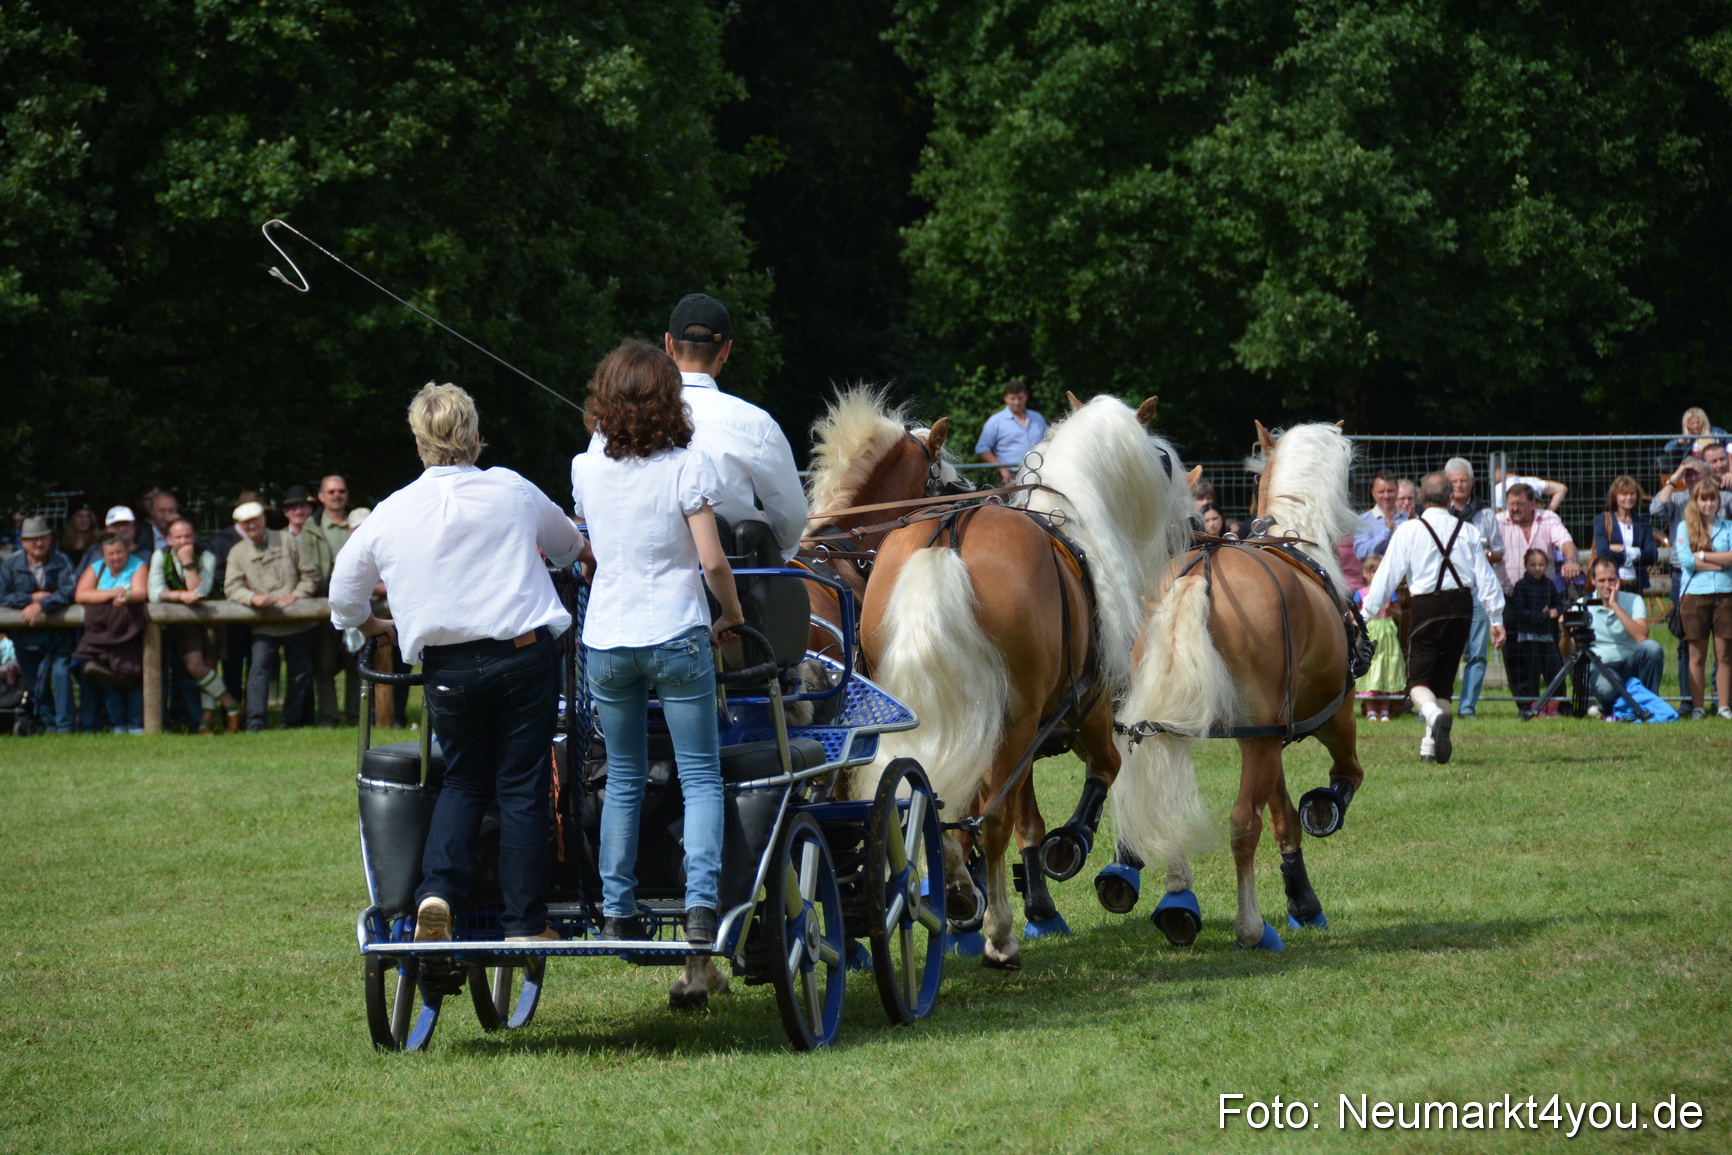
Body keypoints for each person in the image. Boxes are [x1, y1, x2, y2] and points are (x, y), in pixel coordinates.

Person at [332, 381, 584, 944]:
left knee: (464, 781)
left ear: (419, 444)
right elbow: (568, 546)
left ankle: (438, 892)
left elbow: (343, 595)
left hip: (448, 668)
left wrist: (373, 626)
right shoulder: (512, 488)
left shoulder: (392, 510)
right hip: (522, 656)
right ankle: (524, 923)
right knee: (521, 786)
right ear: (475, 436)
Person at [572, 341, 746, 949]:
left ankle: (617, 910)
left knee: (622, 775)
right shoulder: (687, 465)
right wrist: (732, 612)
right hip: (676, 629)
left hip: (607, 638)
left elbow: (591, 549)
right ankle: (700, 907)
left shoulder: (585, 467)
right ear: (669, 399)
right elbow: (713, 561)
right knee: (700, 776)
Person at [1362, 473, 1505, 761]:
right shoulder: (1467, 530)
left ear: (1420, 498)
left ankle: (1433, 715)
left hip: (1427, 606)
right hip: (1462, 607)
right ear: (1451, 497)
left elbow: (1387, 575)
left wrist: (1364, 613)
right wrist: (1496, 618)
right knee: (1443, 680)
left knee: (1417, 682)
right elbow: (1486, 577)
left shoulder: (1409, 530)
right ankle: (1429, 748)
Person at [662, 293, 807, 562]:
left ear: (669, 344)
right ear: (725, 351)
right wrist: (776, 552)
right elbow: (792, 518)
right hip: (733, 579)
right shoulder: (756, 424)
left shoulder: (621, 419)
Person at [224, 500, 321, 730]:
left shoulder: (287, 540)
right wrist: (252, 598)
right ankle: (256, 721)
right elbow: (231, 587)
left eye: (255, 520)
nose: (251, 526)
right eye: (246, 523)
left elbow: (310, 575)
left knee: (299, 674)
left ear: (263, 519)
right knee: (258, 672)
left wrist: (296, 595)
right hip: (264, 623)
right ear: (239, 525)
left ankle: (292, 721)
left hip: (297, 620)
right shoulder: (237, 552)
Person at [149, 517, 241, 733]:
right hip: (184, 619)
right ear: (169, 539)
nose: (183, 541)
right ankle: (232, 705)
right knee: (195, 666)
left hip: (210, 617)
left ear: (195, 537)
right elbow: (154, 593)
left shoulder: (207, 555)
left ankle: (205, 723)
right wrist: (180, 595)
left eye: (187, 536)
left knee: (209, 668)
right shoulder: (160, 556)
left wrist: (188, 564)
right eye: (178, 537)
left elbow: (200, 592)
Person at [0, 517, 77, 733]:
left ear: (50, 539)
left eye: (43, 538)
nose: (39, 543)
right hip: (25, 636)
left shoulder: (62, 561)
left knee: (61, 676)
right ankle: (47, 724)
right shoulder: (10, 564)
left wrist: (42, 605)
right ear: (23, 542)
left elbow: (69, 591)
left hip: (58, 634)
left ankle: (65, 726)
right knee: (34, 683)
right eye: (33, 539)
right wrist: (31, 598)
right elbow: (3, 596)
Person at [73, 532, 149, 733]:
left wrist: (127, 597)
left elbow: (140, 592)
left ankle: (136, 724)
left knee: (132, 676)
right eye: (111, 554)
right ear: (103, 554)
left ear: (127, 551)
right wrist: (112, 594)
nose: (116, 557)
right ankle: (117, 723)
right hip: (101, 635)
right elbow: (81, 594)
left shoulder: (139, 566)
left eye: (119, 552)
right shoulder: (95, 568)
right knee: (106, 677)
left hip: (130, 634)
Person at [1443, 456, 1501, 717]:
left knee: (1477, 651)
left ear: (1472, 482)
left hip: (1477, 589)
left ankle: (1468, 706)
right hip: (1447, 589)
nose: (1459, 485)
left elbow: (1499, 552)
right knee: (1445, 649)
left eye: (1463, 481)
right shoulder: (1439, 514)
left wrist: (1484, 554)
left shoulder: (1486, 515)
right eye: (1454, 481)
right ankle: (1440, 701)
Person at [1674, 479, 1732, 720]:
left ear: (1718, 501)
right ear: (1695, 501)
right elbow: (1687, 561)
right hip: (1695, 596)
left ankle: (1723, 706)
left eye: (1712, 498)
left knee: (1724, 655)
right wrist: (1719, 563)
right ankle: (1698, 707)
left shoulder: (1728, 527)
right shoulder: (1684, 527)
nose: (1708, 504)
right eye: (1703, 499)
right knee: (1696, 655)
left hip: (1726, 595)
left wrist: (1704, 556)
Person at [307, 474, 361, 726]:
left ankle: (356, 715)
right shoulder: (311, 527)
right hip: (323, 602)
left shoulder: (361, 522)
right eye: (331, 492)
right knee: (325, 664)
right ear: (321, 497)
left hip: (356, 601)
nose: (337, 495)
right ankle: (328, 716)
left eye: (341, 491)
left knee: (355, 663)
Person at [1579, 555, 1663, 718]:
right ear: (1593, 581)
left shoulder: (1634, 600)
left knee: (1652, 648)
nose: (1607, 585)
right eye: (1602, 580)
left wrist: (1615, 606)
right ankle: (1612, 708)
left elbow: (1641, 637)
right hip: (1601, 666)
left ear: (1618, 580)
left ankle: (1649, 704)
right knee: (1607, 687)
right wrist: (1565, 633)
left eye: (1611, 580)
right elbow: (1568, 651)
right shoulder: (1582, 604)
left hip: (1630, 663)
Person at [1504, 548, 1565, 718]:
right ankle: (1534, 706)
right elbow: (1521, 612)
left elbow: (1559, 605)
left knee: (1555, 671)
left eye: (1541, 564)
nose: (1537, 568)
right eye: (1533, 565)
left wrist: (1553, 612)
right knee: (1532, 672)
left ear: (1546, 565)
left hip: (1547, 636)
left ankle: (1553, 705)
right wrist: (1545, 615)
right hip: (1527, 636)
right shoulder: (1520, 586)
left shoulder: (1549, 584)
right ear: (1526, 565)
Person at [1494, 483, 1580, 594]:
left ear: (1532, 504)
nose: (1515, 508)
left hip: (1543, 595)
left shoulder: (1549, 518)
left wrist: (1572, 561)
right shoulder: (1497, 522)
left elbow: (1565, 541)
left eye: (1520, 504)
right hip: (1506, 596)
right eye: (1511, 504)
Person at [1353, 553, 1405, 721]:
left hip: (1387, 638)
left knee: (1387, 669)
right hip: (1369, 634)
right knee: (1370, 669)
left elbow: (1399, 614)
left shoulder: (1390, 594)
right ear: (1365, 573)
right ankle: (1370, 710)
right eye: (1373, 571)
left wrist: (1390, 610)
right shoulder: (1360, 593)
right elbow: (1354, 615)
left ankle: (1384, 710)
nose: (1376, 574)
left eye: (1379, 571)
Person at [976, 378, 1050, 487]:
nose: (1016, 402)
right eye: (1012, 398)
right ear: (1006, 398)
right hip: (1009, 476)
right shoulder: (996, 421)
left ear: (1026, 397)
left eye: (1020, 398)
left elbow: (1048, 442)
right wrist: (1002, 468)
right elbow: (982, 449)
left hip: (1038, 473)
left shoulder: (1037, 418)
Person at [1592, 476, 1659, 594]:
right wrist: (1631, 558)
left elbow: (1652, 555)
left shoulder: (1643, 522)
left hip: (1636, 585)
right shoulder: (1602, 520)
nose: (1629, 498)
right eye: (1624, 494)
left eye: (1632, 494)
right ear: (1615, 497)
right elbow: (1603, 553)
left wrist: (1625, 549)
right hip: (1611, 585)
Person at [1352, 470, 1407, 563]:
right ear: (1373, 493)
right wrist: (1387, 532)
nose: (1386, 496)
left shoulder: (1409, 518)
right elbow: (1361, 553)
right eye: (1381, 492)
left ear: (1397, 491)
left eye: (1390, 491)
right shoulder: (1363, 521)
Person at [1489, 454, 1567, 512]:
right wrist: (1548, 512)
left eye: (1491, 472)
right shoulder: (1531, 481)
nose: (1490, 476)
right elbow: (1561, 488)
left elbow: (1498, 516)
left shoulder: (1499, 488)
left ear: (1499, 470)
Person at [1660, 407, 1729, 472]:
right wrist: (1683, 439)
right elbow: (1667, 449)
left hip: (1716, 469)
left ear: (1703, 422)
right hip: (1694, 471)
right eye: (1692, 423)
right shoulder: (1686, 439)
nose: (1695, 426)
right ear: (1686, 425)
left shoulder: (1717, 432)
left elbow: (1730, 445)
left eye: (1698, 423)